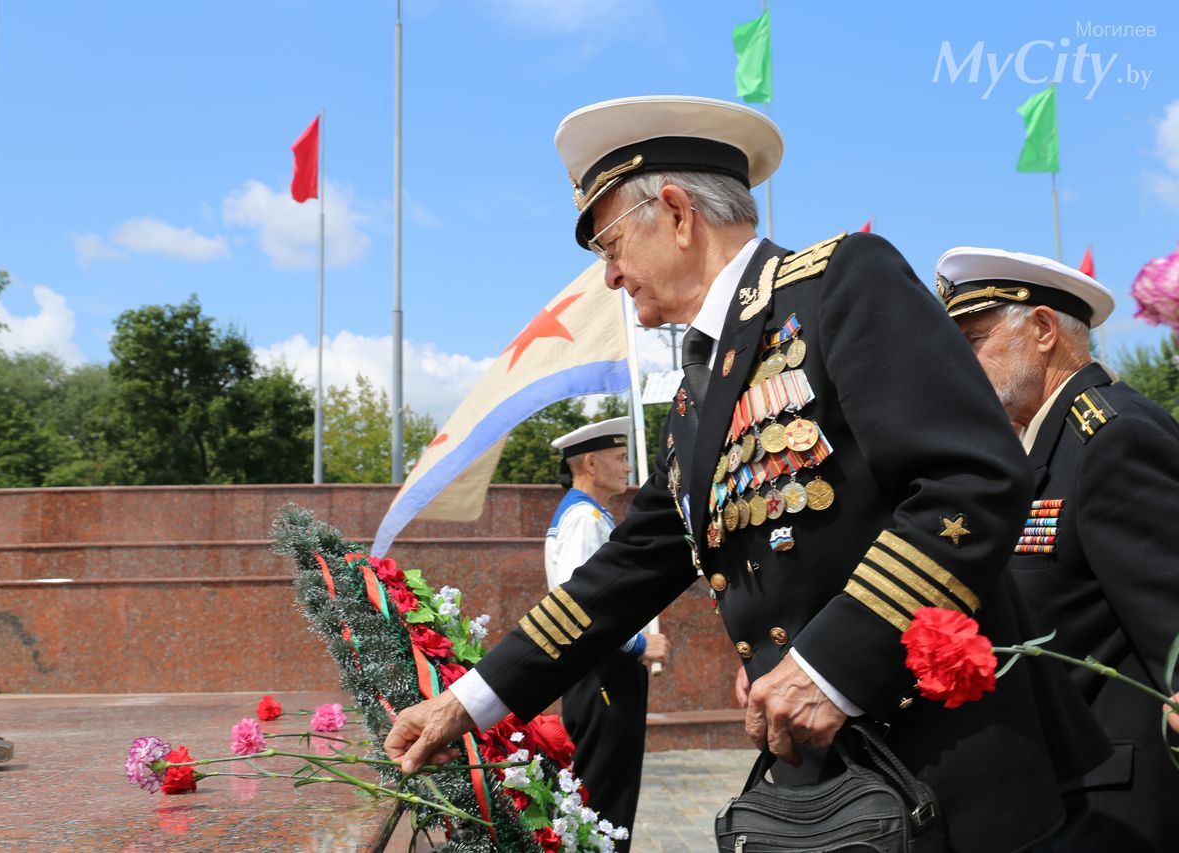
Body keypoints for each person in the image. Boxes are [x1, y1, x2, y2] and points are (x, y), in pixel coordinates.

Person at [385, 95, 1108, 853]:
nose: (609, 276)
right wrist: (467, 702)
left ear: (674, 212)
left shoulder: (839, 287)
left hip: (953, 770)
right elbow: (629, 565)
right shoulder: (701, 385)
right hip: (830, 776)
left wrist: (826, 663)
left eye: (609, 243)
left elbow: (973, 481)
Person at [937, 247, 1179, 851]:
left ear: (1043, 330)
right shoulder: (1037, 448)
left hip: (1120, 802)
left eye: (973, 341)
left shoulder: (1111, 437)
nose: (958, 367)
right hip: (1062, 785)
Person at [546, 416, 669, 849]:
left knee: (604, 795)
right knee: (603, 801)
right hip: (603, 672)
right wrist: (640, 644)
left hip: (602, 672)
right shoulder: (584, 519)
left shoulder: (589, 514)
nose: (628, 467)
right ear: (591, 465)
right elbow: (582, 606)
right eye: (620, 458)